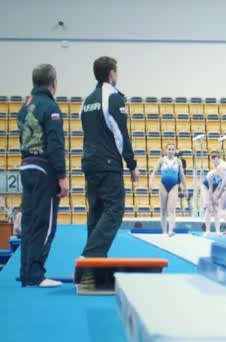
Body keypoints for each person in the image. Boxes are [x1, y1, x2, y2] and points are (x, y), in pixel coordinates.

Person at [80, 57, 138, 267]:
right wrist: (131, 164)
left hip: (90, 162)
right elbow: (120, 134)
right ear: (111, 73)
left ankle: (94, 264)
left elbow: (87, 133)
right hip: (108, 164)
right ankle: (91, 255)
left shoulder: (86, 101)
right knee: (114, 209)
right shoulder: (113, 98)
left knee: (95, 211)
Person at [17, 64, 69, 287]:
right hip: (44, 168)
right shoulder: (51, 107)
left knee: (29, 222)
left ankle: (27, 272)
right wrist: (62, 176)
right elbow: (55, 144)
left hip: (26, 165)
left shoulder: (24, 106)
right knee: (45, 224)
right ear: (53, 83)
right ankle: (37, 274)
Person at [149, 144, 187, 235]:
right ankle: (164, 231)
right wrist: (151, 183)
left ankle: (170, 230)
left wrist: (185, 188)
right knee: (163, 209)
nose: (170, 151)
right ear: (166, 150)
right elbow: (154, 172)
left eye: (172, 149)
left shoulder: (178, 161)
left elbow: (181, 175)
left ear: (175, 151)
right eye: (169, 149)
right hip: (163, 185)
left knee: (172, 209)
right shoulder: (161, 160)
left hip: (174, 186)